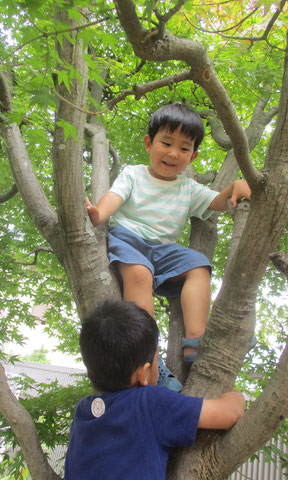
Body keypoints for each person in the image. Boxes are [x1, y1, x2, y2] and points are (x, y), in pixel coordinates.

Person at [86, 103, 251, 389]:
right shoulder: (134, 173)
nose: (174, 153)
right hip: (129, 239)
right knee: (139, 274)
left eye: (184, 148)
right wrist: (99, 214)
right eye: (166, 143)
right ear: (149, 143)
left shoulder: (187, 187)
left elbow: (217, 202)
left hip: (163, 251)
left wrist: (236, 186)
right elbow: (115, 196)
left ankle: (195, 343)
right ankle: (148, 358)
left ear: (193, 156)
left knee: (199, 265)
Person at [64, 300, 245, 480]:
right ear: (143, 374)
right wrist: (234, 394)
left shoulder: (84, 411)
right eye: (156, 362)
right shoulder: (150, 403)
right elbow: (229, 413)